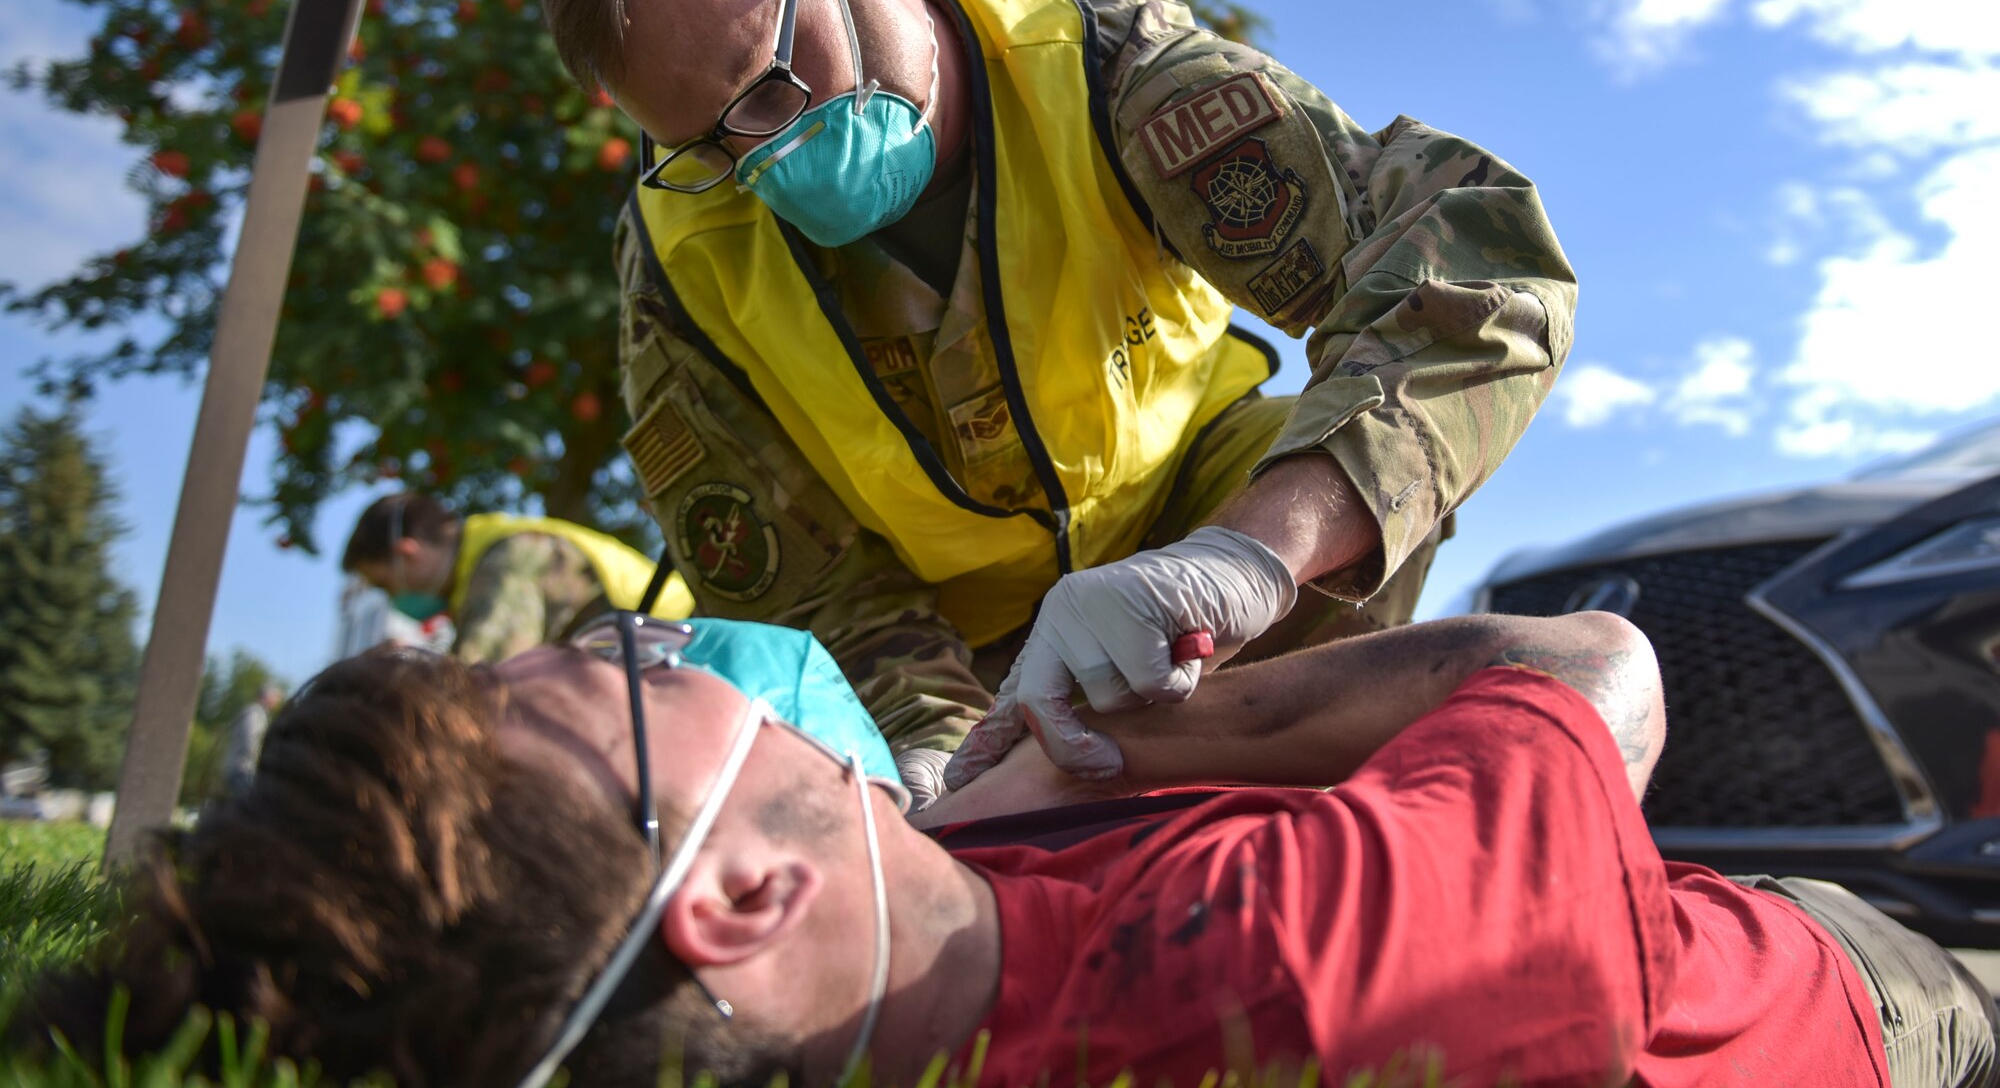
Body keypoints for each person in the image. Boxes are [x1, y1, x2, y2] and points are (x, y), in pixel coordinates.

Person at [530, 0, 1579, 793]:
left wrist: (1246, 558)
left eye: (769, 86)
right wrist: (938, 755)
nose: (767, 157)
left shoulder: (1107, 78)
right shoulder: (677, 256)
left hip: (1201, 560)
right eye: (707, 146)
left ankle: (1281, 815)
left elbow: (1469, 260)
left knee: (1356, 477)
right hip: (962, 664)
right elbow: (809, 592)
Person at [21, 613, 1996, 1088]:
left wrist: (957, 809)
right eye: (614, 678)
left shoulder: (917, 955)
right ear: (730, 891)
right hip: (1851, 994)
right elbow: (1599, 672)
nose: (656, 636)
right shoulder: (1289, 968)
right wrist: (1181, 713)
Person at [341, 490, 694, 662]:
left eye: (384, 585)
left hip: (697, 651)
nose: (393, 600)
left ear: (408, 553)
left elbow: (484, 686)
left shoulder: (505, 563)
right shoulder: (487, 554)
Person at [217, 683, 282, 799]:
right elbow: (250, 741)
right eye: (276, 697)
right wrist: (261, 762)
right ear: (267, 697)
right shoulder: (254, 713)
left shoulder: (257, 713)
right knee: (251, 804)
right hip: (242, 768)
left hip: (242, 768)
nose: (277, 701)